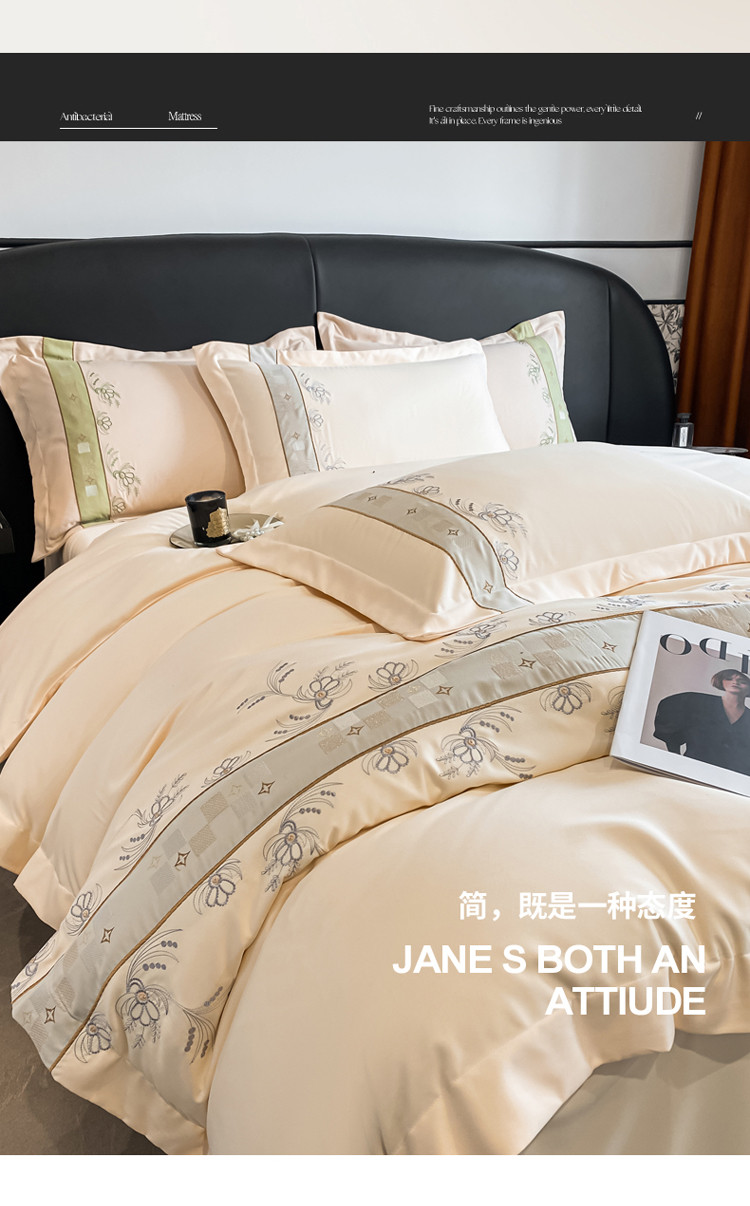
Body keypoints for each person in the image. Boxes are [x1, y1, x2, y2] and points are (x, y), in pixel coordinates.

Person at [653, 668, 750, 776]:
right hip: (692, 772)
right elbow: (669, 729)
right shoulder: (696, 702)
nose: (735, 682)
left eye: (742, 681)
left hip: (735, 778)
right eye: (729, 678)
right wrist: (676, 758)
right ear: (721, 681)